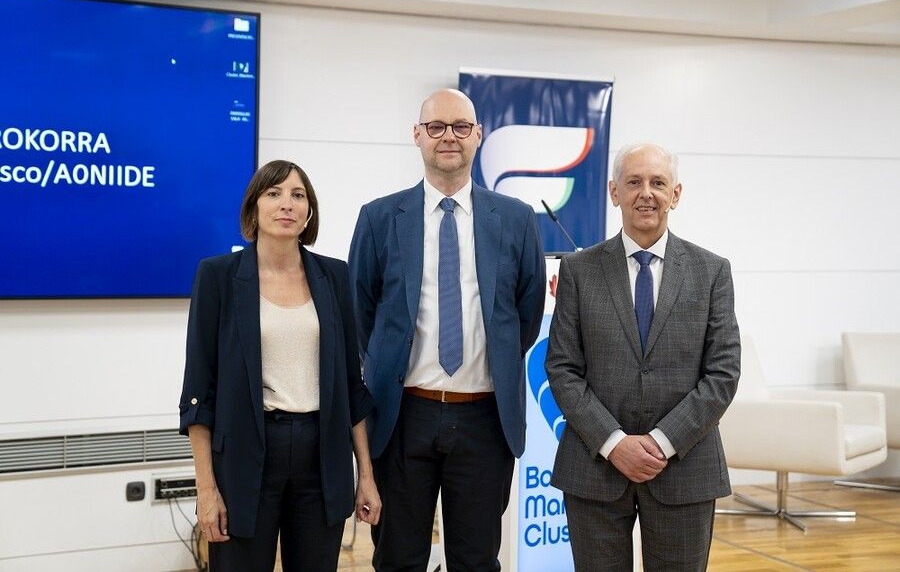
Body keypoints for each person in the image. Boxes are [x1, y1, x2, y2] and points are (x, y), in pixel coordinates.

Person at [348, 89, 546, 571]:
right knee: (397, 560)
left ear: (478, 135)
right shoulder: (379, 218)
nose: (448, 137)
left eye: (460, 126)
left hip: (484, 418)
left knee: (476, 562)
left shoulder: (516, 219)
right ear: (417, 135)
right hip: (402, 416)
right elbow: (360, 315)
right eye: (436, 127)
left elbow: (526, 315)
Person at [178, 160, 381, 572]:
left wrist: (366, 475)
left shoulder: (334, 276)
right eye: (274, 193)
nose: (287, 204)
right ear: (253, 208)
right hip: (245, 455)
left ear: (308, 213)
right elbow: (199, 392)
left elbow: (351, 386)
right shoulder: (218, 277)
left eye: (297, 195)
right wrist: (206, 490)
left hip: (321, 455)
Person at [546, 143, 740, 571]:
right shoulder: (578, 270)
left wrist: (661, 443)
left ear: (676, 194)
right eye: (634, 182)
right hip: (595, 468)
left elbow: (723, 374)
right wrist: (614, 444)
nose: (646, 193)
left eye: (658, 182)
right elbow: (562, 368)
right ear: (614, 192)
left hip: (685, 469)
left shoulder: (712, 271)